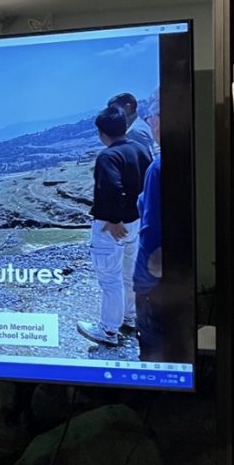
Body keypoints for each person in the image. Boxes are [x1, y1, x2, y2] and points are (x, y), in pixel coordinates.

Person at [76, 105, 152, 347]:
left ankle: (108, 330)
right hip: (136, 222)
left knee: (110, 279)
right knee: (129, 274)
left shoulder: (108, 156)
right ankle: (130, 317)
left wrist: (115, 219)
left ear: (102, 133)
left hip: (112, 226)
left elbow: (111, 187)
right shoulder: (140, 149)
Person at [134, 90, 164, 361]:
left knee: (154, 348)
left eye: (150, 118)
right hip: (179, 278)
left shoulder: (158, 169)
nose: (148, 123)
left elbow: (152, 234)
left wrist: (142, 283)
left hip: (156, 285)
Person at [108, 92, 159, 158]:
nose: (112, 114)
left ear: (127, 108)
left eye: (115, 110)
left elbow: (145, 158)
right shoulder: (142, 125)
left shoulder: (133, 131)